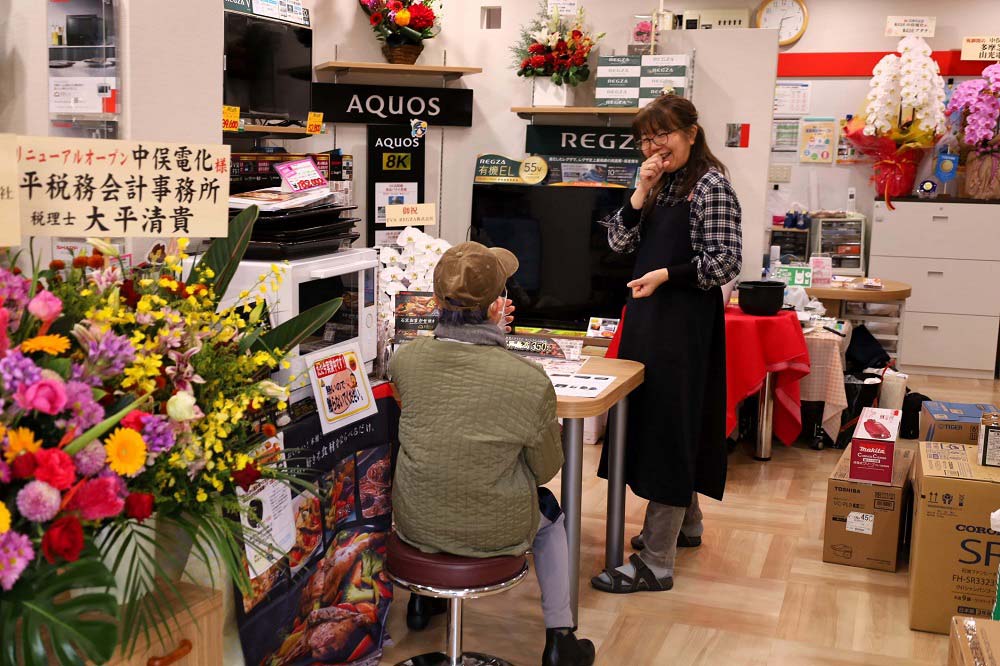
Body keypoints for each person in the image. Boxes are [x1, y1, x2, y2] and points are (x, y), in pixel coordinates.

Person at [389, 242, 596, 666]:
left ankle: (422, 603)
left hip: (414, 520)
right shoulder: (527, 378)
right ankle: (560, 638)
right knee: (550, 517)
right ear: (497, 303)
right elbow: (545, 468)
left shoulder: (404, 362)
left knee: (436, 471)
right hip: (492, 530)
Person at [591, 94, 742, 594]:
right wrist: (638, 192)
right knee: (661, 421)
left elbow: (723, 263)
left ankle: (656, 562)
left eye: (664, 135)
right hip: (648, 321)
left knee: (671, 431)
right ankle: (688, 525)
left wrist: (667, 275)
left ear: (691, 134)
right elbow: (615, 246)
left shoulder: (711, 187)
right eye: (646, 139)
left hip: (684, 327)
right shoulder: (661, 184)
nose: (655, 147)